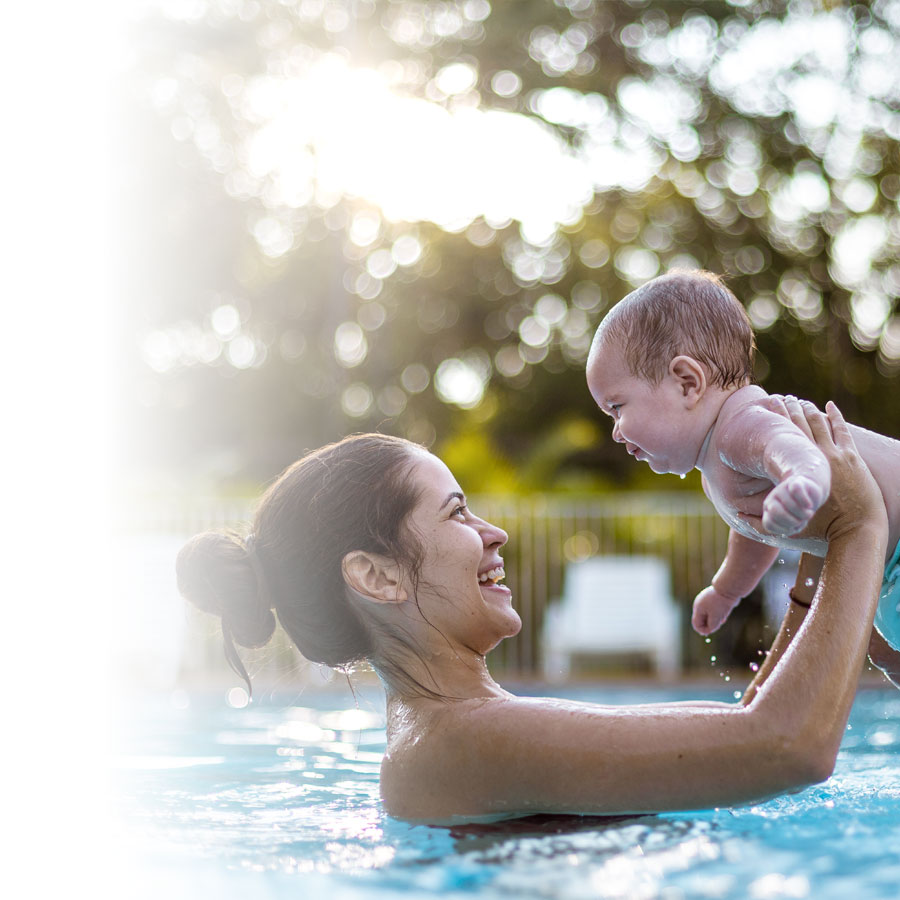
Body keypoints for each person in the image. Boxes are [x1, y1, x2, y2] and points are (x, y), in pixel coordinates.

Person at [177, 401, 887, 821]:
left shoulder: (456, 736)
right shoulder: (460, 742)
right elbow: (787, 748)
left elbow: (746, 747)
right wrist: (861, 527)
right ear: (376, 576)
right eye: (458, 513)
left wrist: (819, 554)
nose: (495, 533)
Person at [585, 270, 900, 686]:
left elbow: (795, 450)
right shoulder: (717, 464)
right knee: (887, 657)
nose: (615, 430)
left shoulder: (742, 424)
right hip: (886, 563)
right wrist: (726, 590)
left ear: (687, 383)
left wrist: (800, 483)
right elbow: (755, 534)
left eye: (617, 407)